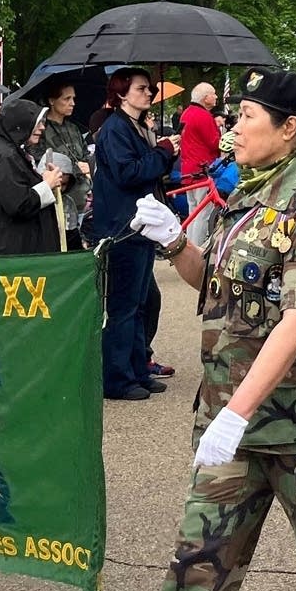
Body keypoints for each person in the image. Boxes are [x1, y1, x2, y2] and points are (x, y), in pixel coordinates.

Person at [132, 70, 296, 591]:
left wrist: (235, 414)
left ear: (289, 128)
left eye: (245, 116)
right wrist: (174, 244)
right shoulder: (250, 193)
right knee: (196, 568)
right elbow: (218, 287)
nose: (232, 127)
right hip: (236, 420)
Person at [89, 67, 177, 401]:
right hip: (122, 227)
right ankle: (117, 378)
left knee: (140, 302)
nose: (149, 93)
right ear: (122, 93)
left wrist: (162, 153)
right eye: (142, 89)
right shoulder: (115, 129)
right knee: (125, 306)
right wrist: (163, 154)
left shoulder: (136, 127)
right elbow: (129, 173)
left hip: (140, 224)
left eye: (151, 89)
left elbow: (147, 171)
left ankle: (138, 368)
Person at [0, 99, 69, 255]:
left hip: (10, 246)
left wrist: (43, 179)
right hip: (4, 251)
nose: (42, 127)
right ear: (20, 124)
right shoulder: (4, 156)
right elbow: (19, 204)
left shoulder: (11, 152)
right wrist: (47, 184)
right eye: (37, 122)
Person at [37, 81, 93, 249]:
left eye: (73, 98)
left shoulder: (74, 128)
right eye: (66, 98)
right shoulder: (41, 130)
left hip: (82, 199)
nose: (72, 103)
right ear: (52, 101)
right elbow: (41, 164)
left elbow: (85, 155)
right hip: (58, 203)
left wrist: (88, 166)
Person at [178, 81, 220, 210]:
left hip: (188, 170)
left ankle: (190, 232)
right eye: (213, 94)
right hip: (202, 171)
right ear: (205, 98)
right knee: (204, 214)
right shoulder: (203, 116)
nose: (216, 97)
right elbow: (215, 143)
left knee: (193, 211)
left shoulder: (186, 113)